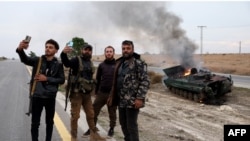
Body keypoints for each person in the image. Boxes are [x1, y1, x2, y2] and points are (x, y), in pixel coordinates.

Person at [16, 38, 65, 141]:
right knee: (35, 123)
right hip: (37, 96)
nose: (47, 49)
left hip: (50, 97)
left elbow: (61, 80)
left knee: (49, 122)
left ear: (56, 50)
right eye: (46, 47)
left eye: (50, 47)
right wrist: (20, 49)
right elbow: (25, 59)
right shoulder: (37, 60)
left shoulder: (59, 64)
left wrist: (46, 78)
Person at [60, 43, 106, 141]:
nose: (87, 51)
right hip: (77, 94)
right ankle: (74, 136)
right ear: (82, 50)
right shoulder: (76, 60)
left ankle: (94, 136)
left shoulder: (90, 62)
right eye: (86, 49)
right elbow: (66, 63)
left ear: (91, 52)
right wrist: (64, 53)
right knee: (75, 116)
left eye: (89, 50)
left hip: (87, 94)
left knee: (91, 114)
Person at [107, 40, 150, 141]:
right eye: (123, 49)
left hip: (132, 101)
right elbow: (116, 81)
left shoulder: (139, 63)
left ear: (132, 49)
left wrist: (139, 98)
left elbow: (145, 81)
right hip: (121, 100)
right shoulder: (120, 63)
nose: (125, 51)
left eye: (128, 48)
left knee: (132, 126)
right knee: (123, 124)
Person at [84, 46, 117, 137]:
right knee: (94, 111)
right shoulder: (101, 65)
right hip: (101, 93)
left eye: (110, 51)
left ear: (113, 53)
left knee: (112, 113)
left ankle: (111, 129)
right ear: (105, 53)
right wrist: (96, 92)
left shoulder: (118, 65)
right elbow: (98, 79)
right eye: (107, 51)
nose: (109, 53)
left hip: (112, 94)